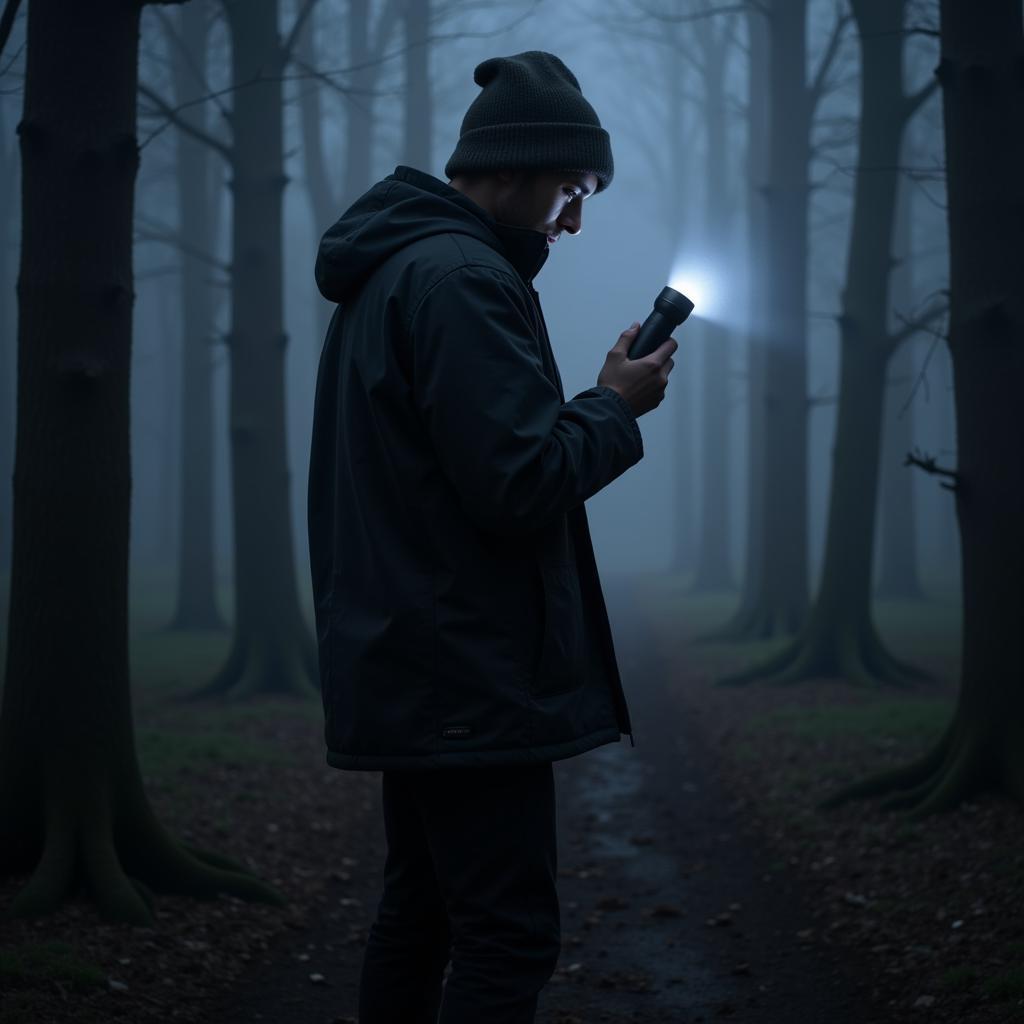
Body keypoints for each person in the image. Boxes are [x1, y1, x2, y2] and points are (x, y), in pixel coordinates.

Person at [307, 49, 677, 1024]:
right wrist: (613, 406)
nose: (574, 217)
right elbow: (518, 484)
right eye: (568, 188)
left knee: (421, 913)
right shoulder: (460, 278)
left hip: (419, 658)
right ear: (511, 170)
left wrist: (597, 403)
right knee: (505, 933)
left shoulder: (401, 268)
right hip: (467, 671)